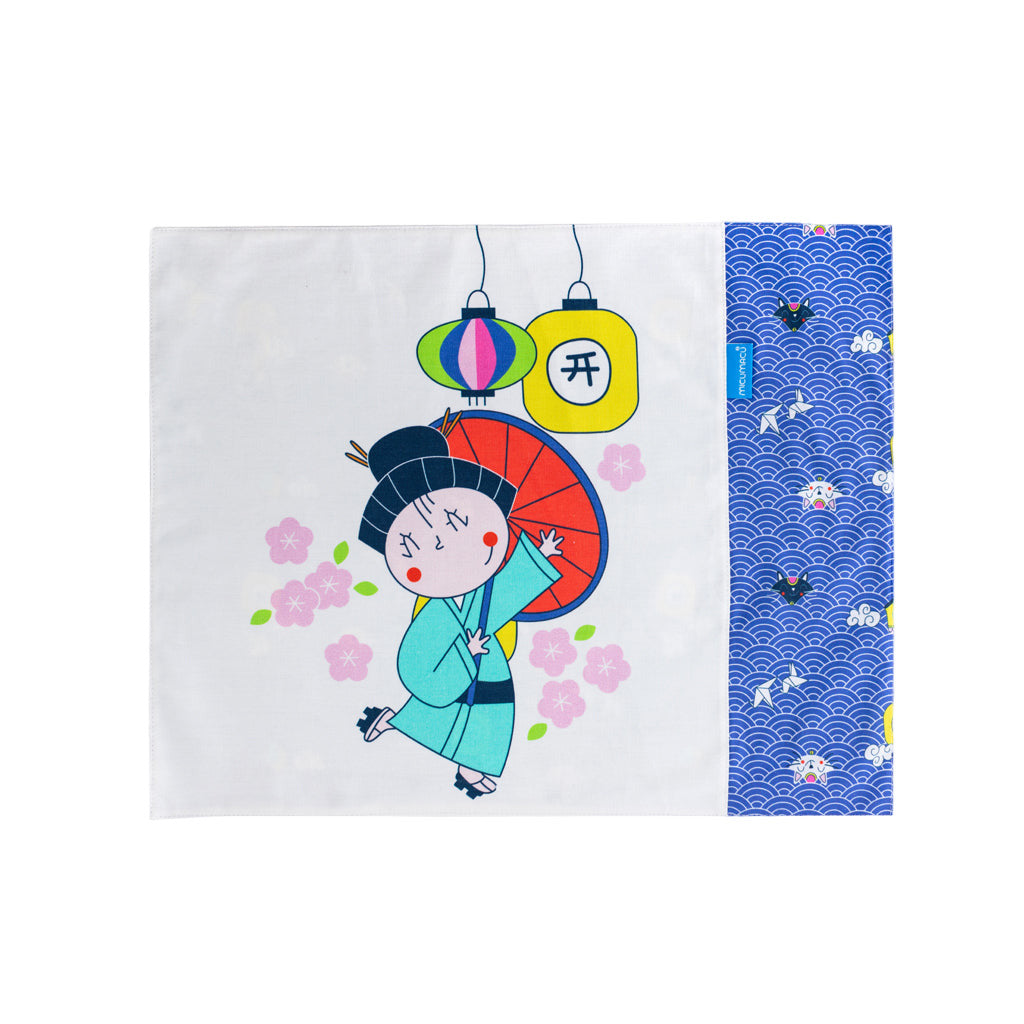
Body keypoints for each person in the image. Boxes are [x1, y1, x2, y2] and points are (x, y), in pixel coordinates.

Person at [348, 413, 563, 798]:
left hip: (482, 659)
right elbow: (418, 660)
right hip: (468, 658)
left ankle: (412, 732)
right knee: (475, 714)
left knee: (484, 714)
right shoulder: (437, 609)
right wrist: (465, 652)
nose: (444, 546)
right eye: (413, 546)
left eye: (457, 522)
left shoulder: (483, 588)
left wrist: (539, 555)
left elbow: (503, 594)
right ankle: (462, 762)